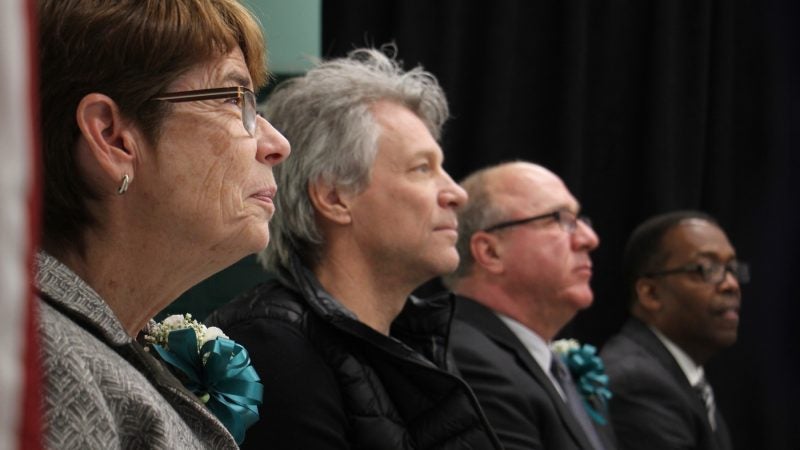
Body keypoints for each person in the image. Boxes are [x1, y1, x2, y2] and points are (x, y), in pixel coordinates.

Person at [206, 47, 502, 449]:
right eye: (422, 168)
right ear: (334, 197)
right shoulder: (274, 348)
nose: (456, 194)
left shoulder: (413, 341)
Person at [36, 1, 290, 448]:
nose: (276, 144)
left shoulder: (82, 347)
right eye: (236, 100)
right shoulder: (51, 368)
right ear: (113, 138)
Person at [442, 161, 616, 450]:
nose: (589, 239)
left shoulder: (550, 364)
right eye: (560, 219)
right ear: (490, 252)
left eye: (581, 221)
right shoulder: (468, 359)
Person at [600, 211, 746, 450]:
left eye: (731, 268)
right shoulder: (638, 381)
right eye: (705, 268)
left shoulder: (681, 375)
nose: (731, 284)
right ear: (650, 293)